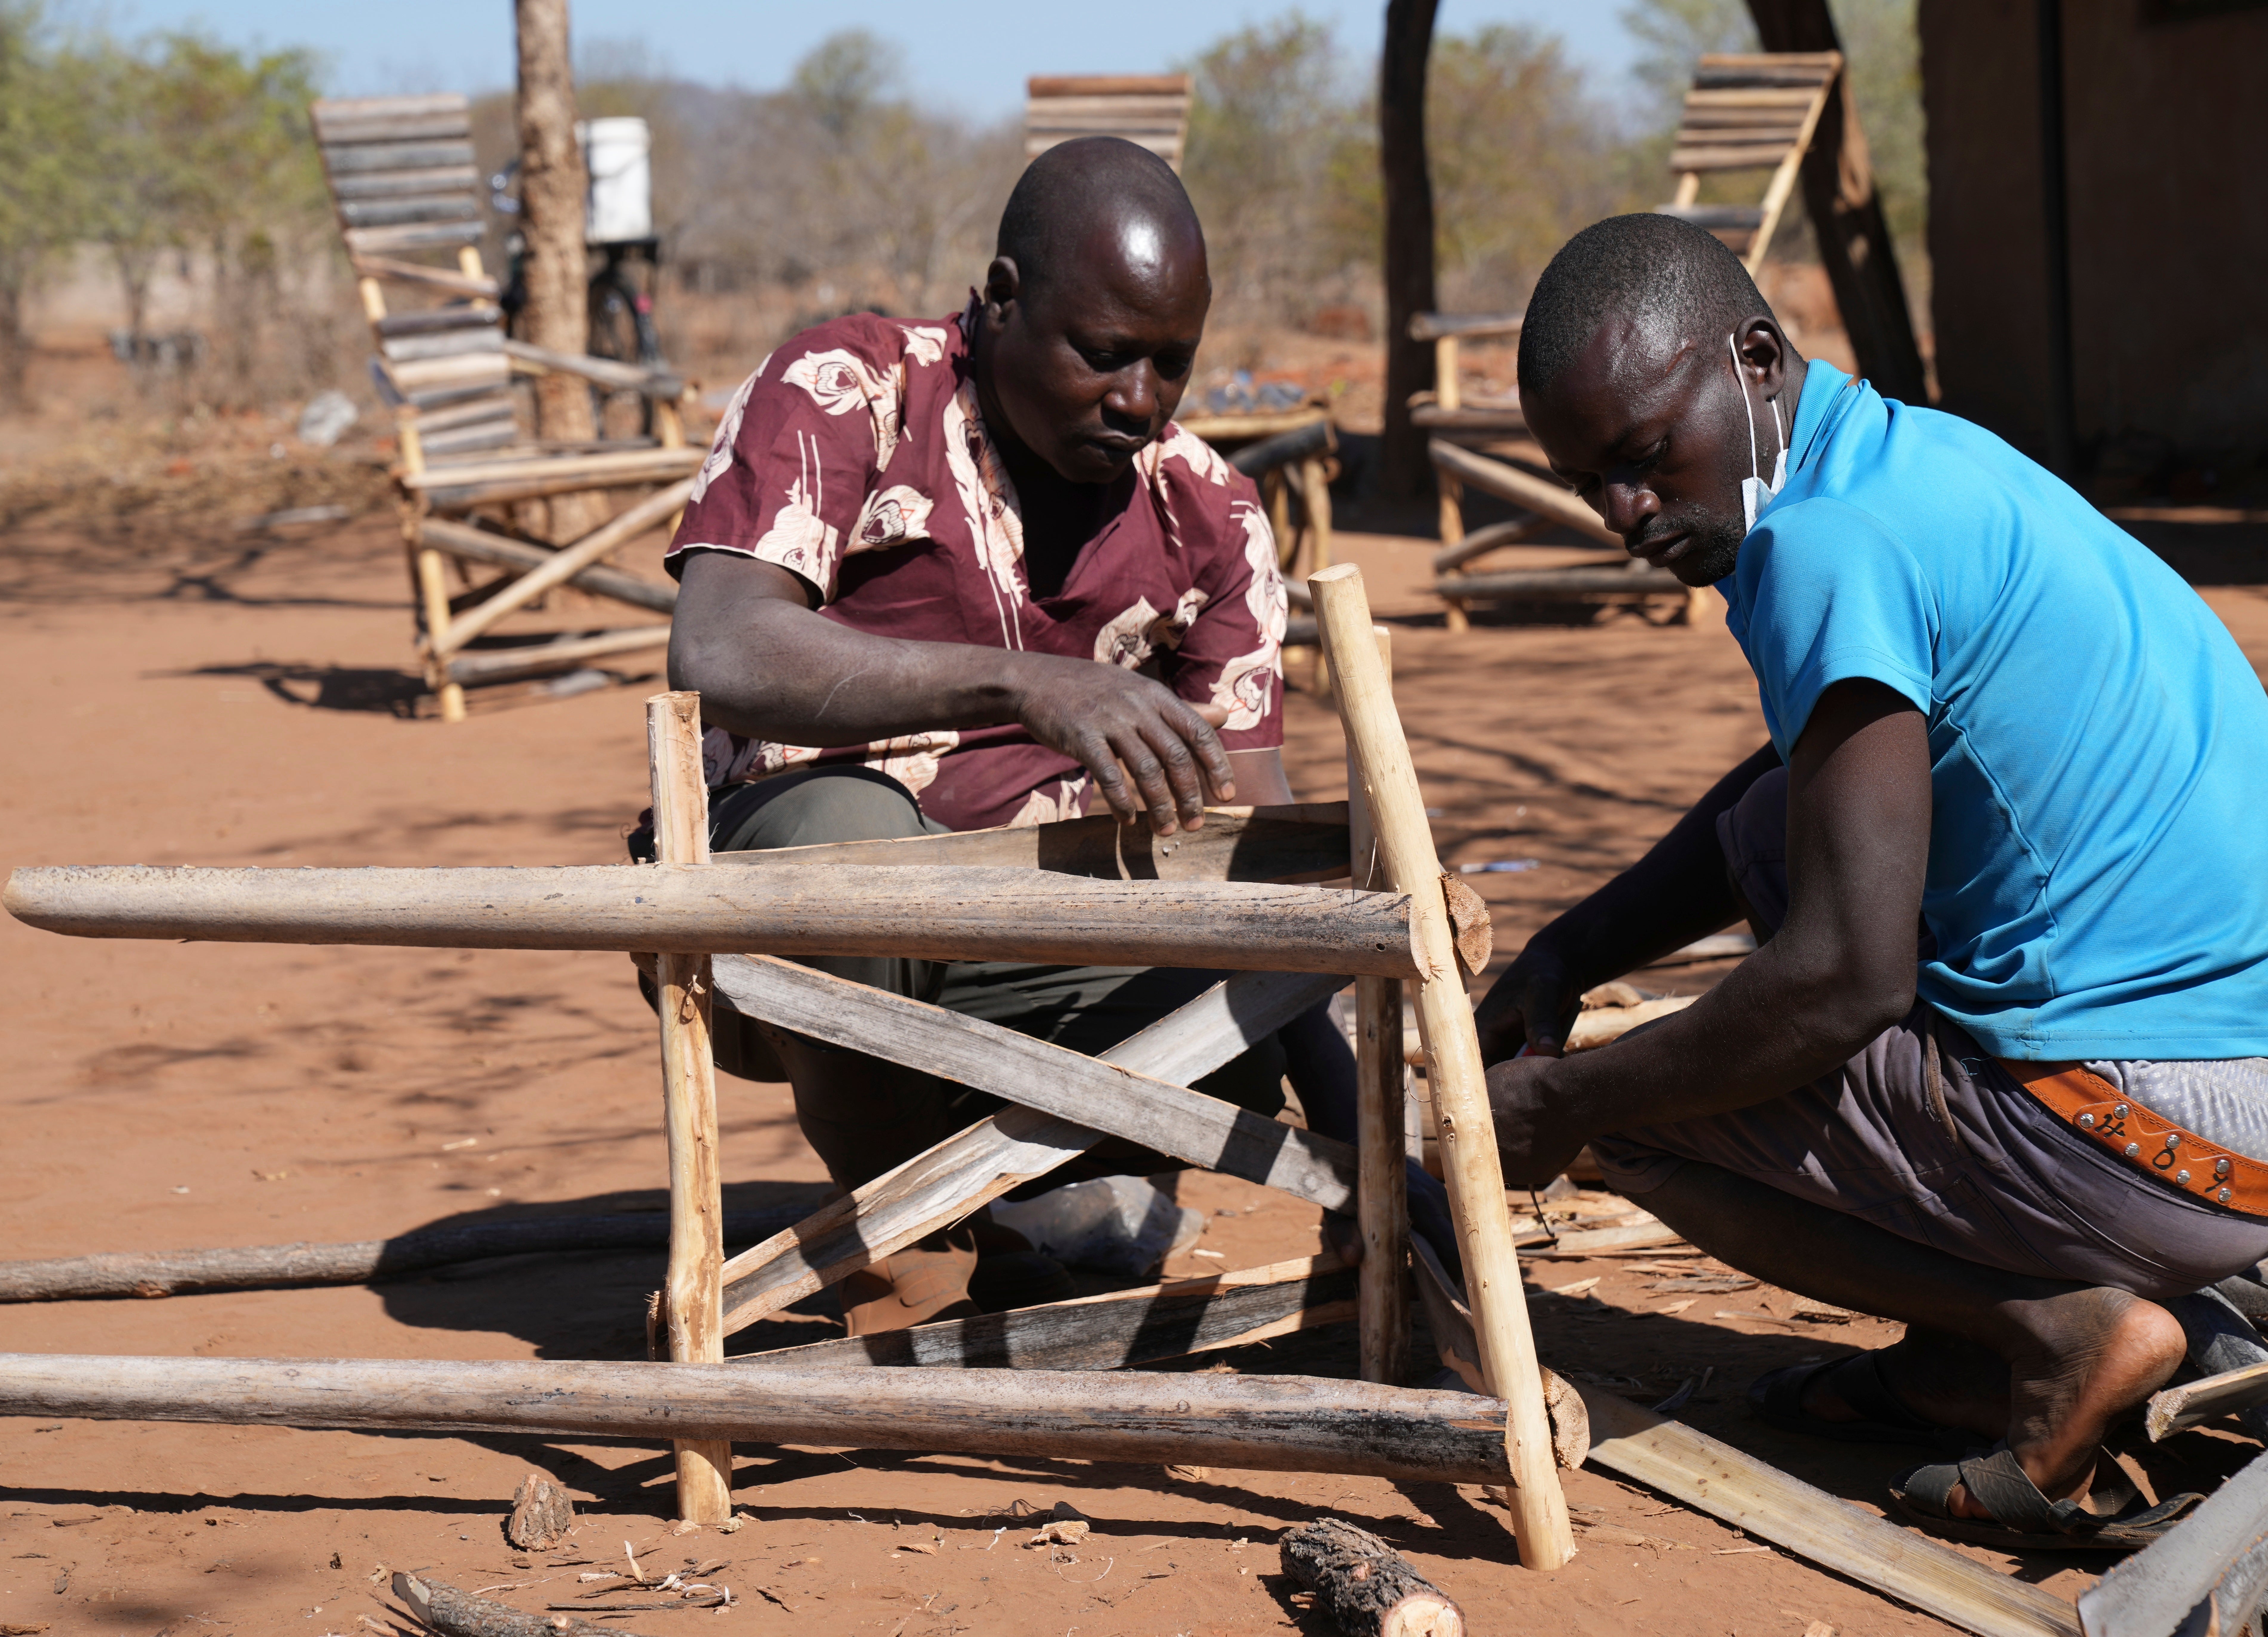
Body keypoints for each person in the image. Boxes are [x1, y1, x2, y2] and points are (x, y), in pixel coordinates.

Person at [1476, 211, 2268, 1548]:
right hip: (2237, 1087)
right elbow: (1799, 775)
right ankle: (1954, 1352)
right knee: (1775, 826)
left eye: (1643, 457)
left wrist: (1568, 1096)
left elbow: (1846, 981)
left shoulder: (1822, 545)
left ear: (1755, 360)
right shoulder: (1914, 459)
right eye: (1587, 482)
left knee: (1639, 1112)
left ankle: (2053, 1330)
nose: (1621, 514)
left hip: (2172, 1132)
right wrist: (1569, 952)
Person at [651, 136, 1427, 1336]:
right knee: (850, 838)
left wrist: (1378, 1175)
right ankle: (907, 1225)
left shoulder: (1208, 513)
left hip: (1037, 941)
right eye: (1104, 354)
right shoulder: (849, 391)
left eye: (1172, 363)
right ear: (1004, 299)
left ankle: (1023, 1189)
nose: (1140, 400)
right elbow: (718, 647)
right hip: (790, 930)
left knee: (1252, 981)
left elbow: (1254, 853)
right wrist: (1023, 685)